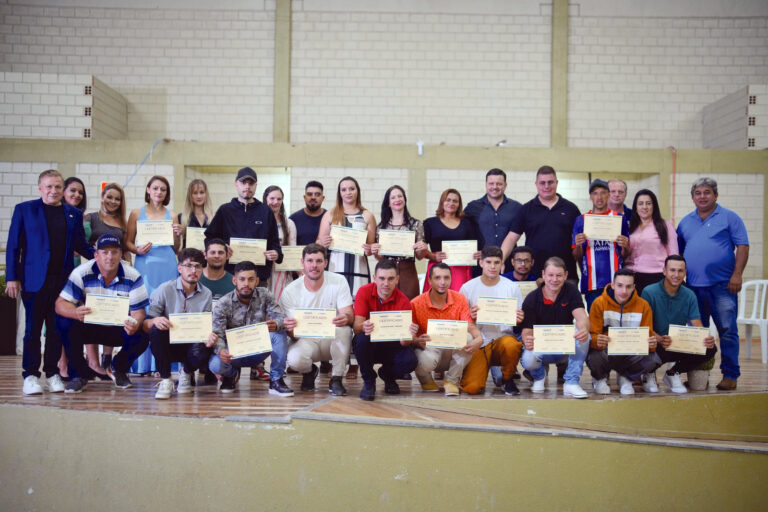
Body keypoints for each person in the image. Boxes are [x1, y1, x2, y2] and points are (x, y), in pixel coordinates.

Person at [6, 169, 93, 395]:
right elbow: (14, 246)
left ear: (62, 189)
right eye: (49, 186)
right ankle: (31, 375)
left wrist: (104, 256)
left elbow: (81, 245)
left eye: (57, 187)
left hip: (62, 283)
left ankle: (53, 373)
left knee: (56, 331)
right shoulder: (25, 210)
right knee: (33, 330)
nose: (53, 191)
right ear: (40, 188)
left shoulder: (72, 214)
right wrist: (12, 277)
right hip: (34, 281)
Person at [677, 177, 749, 391]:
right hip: (693, 288)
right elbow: (680, 253)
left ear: (715, 195)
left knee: (727, 330)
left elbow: (743, 246)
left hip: (723, 286)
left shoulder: (729, 217)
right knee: (696, 334)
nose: (702, 196)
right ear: (692, 197)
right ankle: (699, 374)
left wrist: (737, 274)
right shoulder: (685, 222)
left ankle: (730, 374)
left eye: (707, 192)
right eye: (698, 193)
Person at [54, 234, 148, 393]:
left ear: (121, 255)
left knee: (144, 330)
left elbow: (139, 312)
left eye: (114, 252)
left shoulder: (133, 275)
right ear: (96, 255)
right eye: (105, 252)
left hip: (118, 328)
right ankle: (78, 375)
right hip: (89, 325)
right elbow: (60, 304)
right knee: (64, 321)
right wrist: (74, 311)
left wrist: (135, 323)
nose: (110, 257)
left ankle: (117, 368)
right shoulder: (82, 272)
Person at [280, 244, 355, 396]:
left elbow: (350, 315)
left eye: (319, 261)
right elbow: (294, 334)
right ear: (302, 263)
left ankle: (336, 378)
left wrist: (345, 318)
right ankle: (309, 371)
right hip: (306, 339)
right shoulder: (290, 291)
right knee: (294, 359)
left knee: (344, 329)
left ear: (326, 263)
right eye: (310, 261)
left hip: (332, 338)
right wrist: (289, 329)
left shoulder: (339, 281)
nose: (314, 266)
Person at [209, 261, 293, 396]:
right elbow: (217, 333)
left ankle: (276, 380)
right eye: (242, 279)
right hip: (234, 352)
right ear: (234, 280)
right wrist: (221, 351)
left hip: (258, 348)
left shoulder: (265, 294)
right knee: (215, 365)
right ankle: (230, 374)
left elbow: (280, 317)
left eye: (251, 279)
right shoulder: (223, 303)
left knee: (279, 332)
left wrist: (276, 324)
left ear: (257, 281)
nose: (246, 284)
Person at [125, 175, 181, 375]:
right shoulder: (135, 213)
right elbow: (127, 242)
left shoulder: (172, 215)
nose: (159, 192)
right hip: (145, 264)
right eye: (155, 188)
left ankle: (164, 363)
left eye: (163, 189)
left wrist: (178, 233)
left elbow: (176, 248)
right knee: (145, 308)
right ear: (148, 189)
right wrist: (137, 250)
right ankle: (142, 364)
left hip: (167, 264)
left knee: (166, 308)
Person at [145, 248, 217, 399]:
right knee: (156, 331)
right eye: (188, 266)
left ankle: (185, 372)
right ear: (179, 268)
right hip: (168, 343)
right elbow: (146, 324)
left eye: (198, 266)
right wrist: (155, 320)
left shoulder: (207, 293)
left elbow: (204, 325)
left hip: (191, 344)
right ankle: (166, 379)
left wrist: (209, 336)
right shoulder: (164, 289)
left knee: (209, 340)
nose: (193, 270)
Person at [642, 255, 717, 393]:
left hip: (675, 342)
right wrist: (659, 339)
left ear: (685, 273)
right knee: (648, 347)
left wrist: (706, 338)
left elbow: (697, 324)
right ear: (664, 271)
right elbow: (643, 326)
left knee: (709, 349)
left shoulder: (689, 295)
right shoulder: (649, 292)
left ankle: (672, 373)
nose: (676, 275)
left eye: (680, 271)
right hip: (654, 341)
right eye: (672, 270)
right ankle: (648, 374)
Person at [519, 257, 590, 398]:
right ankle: (539, 377)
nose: (554, 279)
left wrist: (583, 329)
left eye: (559, 275)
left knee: (585, 337)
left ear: (566, 275)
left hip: (564, 348)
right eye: (550, 275)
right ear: (543, 275)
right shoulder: (532, 298)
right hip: (542, 349)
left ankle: (571, 382)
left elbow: (582, 317)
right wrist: (527, 339)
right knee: (528, 359)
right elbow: (527, 330)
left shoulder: (571, 291)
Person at [458, 246, 524, 396]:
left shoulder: (511, 287)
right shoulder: (467, 288)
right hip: (479, 343)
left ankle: (508, 379)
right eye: (488, 262)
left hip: (502, 340)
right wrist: (470, 316)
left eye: (497, 262)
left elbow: (518, 318)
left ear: (502, 264)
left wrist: (519, 320)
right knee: (472, 388)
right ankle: (477, 372)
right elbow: (461, 321)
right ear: (481, 263)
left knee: (512, 344)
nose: (493, 266)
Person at [410, 263, 482, 396]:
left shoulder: (460, 298)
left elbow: (469, 325)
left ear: (451, 279)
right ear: (429, 280)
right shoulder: (415, 303)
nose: (442, 282)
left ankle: (452, 381)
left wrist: (479, 337)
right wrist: (416, 341)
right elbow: (409, 335)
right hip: (429, 350)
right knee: (418, 358)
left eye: (446, 278)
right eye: (437, 278)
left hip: (451, 349)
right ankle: (425, 379)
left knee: (469, 338)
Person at [501, 166, 581, 284]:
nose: (546, 186)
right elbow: (512, 237)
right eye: (542, 183)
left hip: (566, 275)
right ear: (536, 184)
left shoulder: (571, 209)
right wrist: (501, 259)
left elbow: (579, 243)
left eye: (550, 182)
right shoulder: (526, 209)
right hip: (535, 276)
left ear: (557, 183)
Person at [352, 259, 419, 401]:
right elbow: (356, 326)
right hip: (371, 344)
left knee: (410, 360)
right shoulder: (363, 292)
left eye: (390, 279)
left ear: (397, 279)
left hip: (392, 345)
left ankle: (388, 376)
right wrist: (364, 326)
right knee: (361, 340)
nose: (386, 284)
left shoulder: (404, 301)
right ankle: (369, 381)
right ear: (374, 278)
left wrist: (408, 336)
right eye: (381, 278)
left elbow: (404, 343)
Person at [587, 269, 660, 395]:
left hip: (631, 352)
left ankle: (627, 378)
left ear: (634, 287)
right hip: (607, 351)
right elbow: (592, 336)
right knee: (593, 356)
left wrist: (651, 343)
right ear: (613, 285)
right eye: (620, 286)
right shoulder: (599, 303)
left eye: (628, 286)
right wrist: (596, 339)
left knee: (654, 359)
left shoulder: (643, 305)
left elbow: (648, 341)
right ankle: (600, 378)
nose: (624, 291)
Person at [83, 182, 128, 378]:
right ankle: (91, 361)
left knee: (112, 312)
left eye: (117, 199)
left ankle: (107, 359)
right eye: (109, 197)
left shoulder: (122, 222)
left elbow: (125, 249)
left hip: (116, 273)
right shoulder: (90, 218)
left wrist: (129, 267)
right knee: (92, 314)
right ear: (102, 197)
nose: (113, 201)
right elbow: (81, 244)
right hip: (93, 274)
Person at [204, 167, 282, 280]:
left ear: (256, 185)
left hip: (258, 278)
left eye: (251, 183)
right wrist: (222, 246)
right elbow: (210, 238)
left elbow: (275, 243)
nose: (247, 186)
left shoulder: (266, 211)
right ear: (236, 184)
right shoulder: (225, 210)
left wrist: (276, 253)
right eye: (243, 182)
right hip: (229, 276)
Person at [572, 178, 630, 311]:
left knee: (615, 324)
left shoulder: (619, 219)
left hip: (616, 283)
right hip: (592, 283)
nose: (599, 197)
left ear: (608, 195)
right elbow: (576, 256)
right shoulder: (581, 220)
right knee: (595, 325)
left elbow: (626, 254)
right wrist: (579, 245)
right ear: (590, 196)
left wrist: (626, 246)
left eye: (603, 192)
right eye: (595, 193)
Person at [317, 176, 376, 296]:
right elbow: (318, 243)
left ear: (357, 191)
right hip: (335, 269)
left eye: (351, 189)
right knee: (335, 305)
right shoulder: (330, 214)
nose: (348, 192)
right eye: (344, 190)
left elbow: (371, 248)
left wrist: (368, 249)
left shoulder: (367, 215)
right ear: (339, 193)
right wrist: (323, 242)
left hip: (359, 269)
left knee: (359, 307)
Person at [58, 176, 90, 380]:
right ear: (63, 192)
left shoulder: (77, 215)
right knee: (59, 317)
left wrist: (98, 254)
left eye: (80, 192)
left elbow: (80, 243)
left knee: (73, 317)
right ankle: (62, 364)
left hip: (74, 270)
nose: (77, 195)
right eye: (72, 191)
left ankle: (73, 362)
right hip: (54, 272)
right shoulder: (52, 212)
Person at [371, 185, 427, 300]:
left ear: (404, 200)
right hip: (387, 273)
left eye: (400, 196)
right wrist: (375, 251)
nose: (397, 199)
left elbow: (420, 257)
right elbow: (380, 257)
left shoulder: (416, 225)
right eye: (393, 197)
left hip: (408, 272)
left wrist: (423, 249)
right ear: (388, 203)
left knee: (410, 305)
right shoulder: (381, 227)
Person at [422, 188, 483, 292]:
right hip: (438, 267)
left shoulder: (467, 223)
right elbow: (421, 249)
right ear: (442, 202)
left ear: (459, 204)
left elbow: (475, 247)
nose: (451, 203)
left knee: (458, 298)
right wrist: (432, 256)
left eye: (455, 201)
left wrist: (478, 254)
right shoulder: (430, 223)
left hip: (460, 269)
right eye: (448, 200)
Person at [464, 168, 522, 274]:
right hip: (480, 265)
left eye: (499, 184)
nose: (494, 187)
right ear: (486, 184)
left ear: (505, 185)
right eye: (491, 183)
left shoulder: (517, 208)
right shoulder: (472, 207)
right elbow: (461, 231)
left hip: (508, 266)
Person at [625, 189, 678, 295]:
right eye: (640, 204)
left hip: (657, 276)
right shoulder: (629, 227)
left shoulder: (665, 226)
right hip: (632, 277)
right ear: (635, 207)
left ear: (654, 206)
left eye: (648, 203)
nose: (644, 207)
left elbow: (674, 255)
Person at [263, 185, 297, 302]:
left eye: (279, 199)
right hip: (263, 271)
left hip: (282, 272)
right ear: (265, 199)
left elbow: (292, 251)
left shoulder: (289, 224)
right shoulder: (258, 221)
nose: (275, 202)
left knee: (281, 307)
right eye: (272, 198)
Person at [290, 180, 327, 246]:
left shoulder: (330, 218)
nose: (313, 197)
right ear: (304, 197)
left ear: (323, 198)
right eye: (309, 194)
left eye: (317, 195)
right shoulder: (293, 219)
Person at [179, 178, 213, 248]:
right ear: (190, 196)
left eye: (201, 192)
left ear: (206, 194)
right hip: (188, 258)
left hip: (208, 258)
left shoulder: (213, 219)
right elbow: (177, 247)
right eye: (195, 193)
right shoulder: (181, 218)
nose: (199, 196)